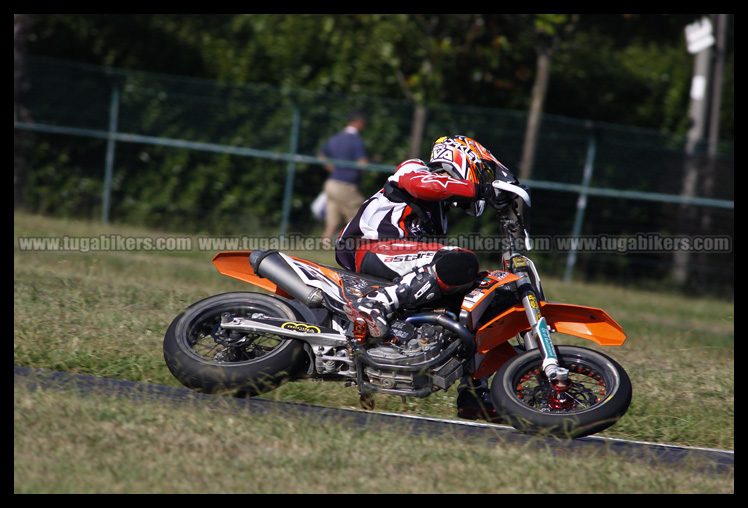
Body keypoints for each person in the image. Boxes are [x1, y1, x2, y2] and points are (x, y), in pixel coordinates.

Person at [334, 135, 517, 422]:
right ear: (462, 158)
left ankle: (475, 392)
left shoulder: (439, 213)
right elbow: (421, 184)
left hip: (395, 260)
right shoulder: (415, 168)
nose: (484, 182)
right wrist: (477, 189)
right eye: (482, 173)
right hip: (370, 247)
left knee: (480, 296)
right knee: (461, 261)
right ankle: (375, 305)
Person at [317, 110, 370, 244]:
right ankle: (356, 247)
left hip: (331, 183)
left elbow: (321, 155)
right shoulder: (356, 141)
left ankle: (324, 246)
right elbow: (362, 165)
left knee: (332, 221)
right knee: (360, 216)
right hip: (345, 185)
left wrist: (332, 167)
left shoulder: (336, 137)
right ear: (359, 122)